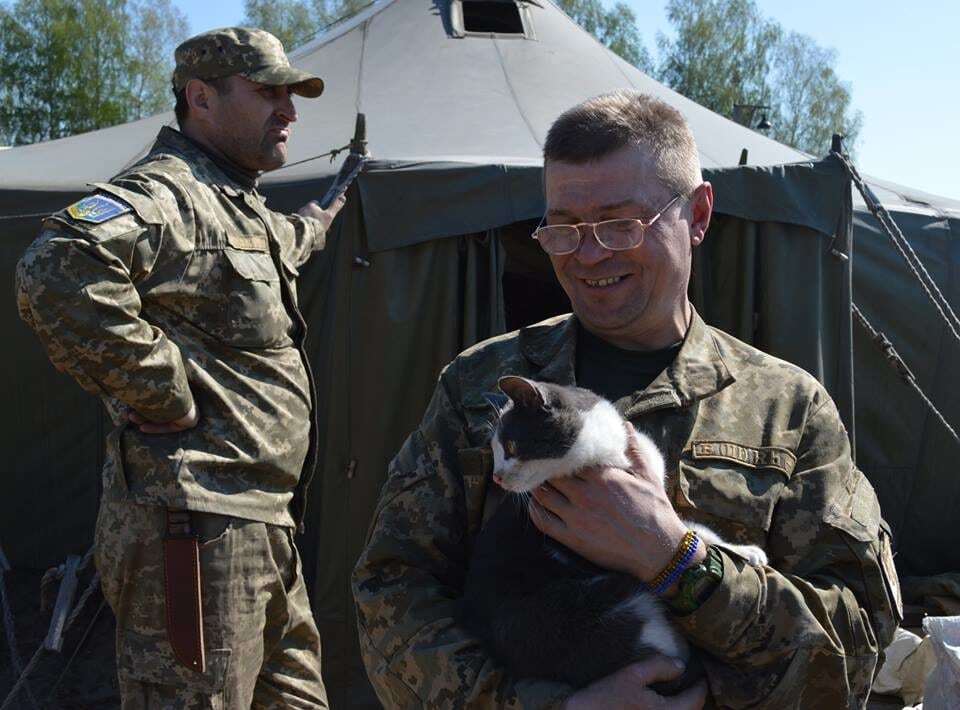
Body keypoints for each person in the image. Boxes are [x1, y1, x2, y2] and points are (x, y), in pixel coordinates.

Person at [352, 90, 902, 709]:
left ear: (697, 215)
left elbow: (852, 641)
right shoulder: (481, 384)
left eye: (619, 225)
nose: (587, 256)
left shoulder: (789, 410)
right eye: (562, 228)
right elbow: (390, 592)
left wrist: (678, 562)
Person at [16, 27, 344, 709]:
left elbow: (284, 243)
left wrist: (322, 217)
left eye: (292, 94)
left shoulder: (237, 203)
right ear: (200, 97)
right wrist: (161, 390)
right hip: (195, 530)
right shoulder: (167, 192)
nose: (289, 111)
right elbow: (54, 270)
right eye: (268, 92)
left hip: (264, 527)